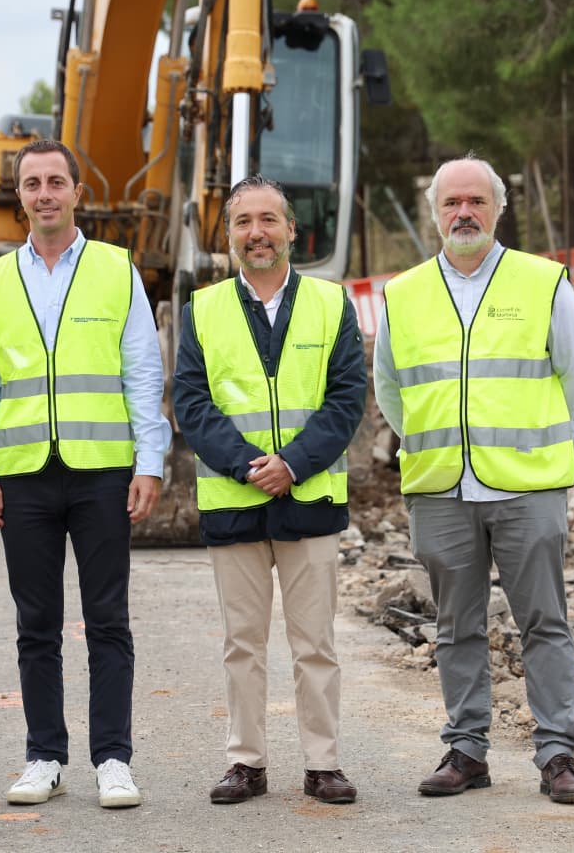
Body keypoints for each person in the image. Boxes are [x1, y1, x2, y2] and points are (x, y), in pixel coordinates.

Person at [374, 156, 574, 805]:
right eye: (452, 203)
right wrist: (433, 440)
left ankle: (557, 753)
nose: (464, 213)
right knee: (456, 626)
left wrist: (542, 444)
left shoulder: (542, 282)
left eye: (476, 201)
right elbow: (390, 389)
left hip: (527, 488)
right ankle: (466, 751)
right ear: (434, 213)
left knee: (545, 622)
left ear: (499, 209)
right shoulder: (403, 294)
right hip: (441, 487)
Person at [0, 139, 170, 810]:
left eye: (56, 182)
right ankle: (44, 757)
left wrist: (150, 461)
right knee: (36, 624)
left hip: (101, 471)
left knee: (108, 620)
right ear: (18, 196)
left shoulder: (116, 268)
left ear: (78, 192)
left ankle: (113, 759)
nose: (44, 193)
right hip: (23, 475)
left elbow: (143, 372)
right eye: (32, 183)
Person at [172, 176, 366, 806]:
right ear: (229, 235)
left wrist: (294, 465)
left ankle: (323, 764)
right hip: (236, 501)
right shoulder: (202, 310)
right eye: (243, 222)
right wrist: (249, 466)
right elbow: (192, 402)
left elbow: (346, 399)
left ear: (290, 230)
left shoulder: (332, 304)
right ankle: (245, 763)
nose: (256, 233)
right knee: (242, 644)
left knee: (316, 644)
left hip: (310, 499)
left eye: (268, 220)